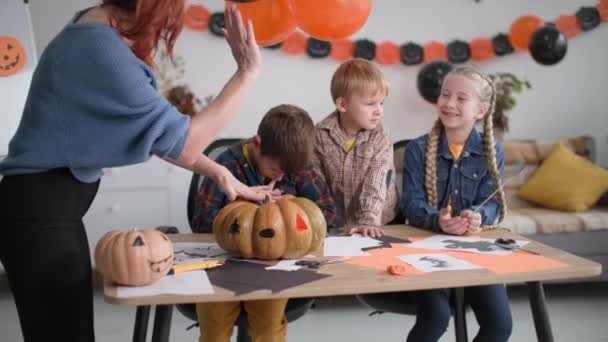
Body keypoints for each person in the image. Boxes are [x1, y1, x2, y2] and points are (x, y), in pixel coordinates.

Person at [0, 1, 270, 341]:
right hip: (39, 216)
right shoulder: (103, 52)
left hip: (39, 210)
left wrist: (218, 171)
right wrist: (247, 72)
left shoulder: (89, 28)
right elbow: (184, 142)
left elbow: (160, 136)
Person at [191, 103, 339, 342]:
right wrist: (243, 205)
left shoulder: (296, 164)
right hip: (225, 264)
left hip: (274, 267)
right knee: (214, 325)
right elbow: (201, 221)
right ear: (257, 143)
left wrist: (291, 206)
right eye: (275, 169)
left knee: (269, 326)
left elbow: (329, 214)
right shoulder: (227, 164)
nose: (280, 177)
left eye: (286, 175)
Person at [401, 65, 512, 342]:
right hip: (425, 253)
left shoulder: (493, 151)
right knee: (436, 318)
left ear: (481, 109)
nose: (449, 103)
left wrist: (477, 216)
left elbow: (493, 204)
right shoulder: (417, 148)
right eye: (445, 95)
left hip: (474, 252)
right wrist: (438, 220)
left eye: (461, 98)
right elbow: (411, 204)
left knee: (499, 325)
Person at [313, 58, 399, 238]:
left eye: (381, 103)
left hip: (379, 221)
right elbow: (318, 183)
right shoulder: (320, 135)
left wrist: (368, 218)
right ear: (343, 105)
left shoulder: (380, 135)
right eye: (370, 104)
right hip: (338, 224)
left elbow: (376, 180)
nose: (379, 111)